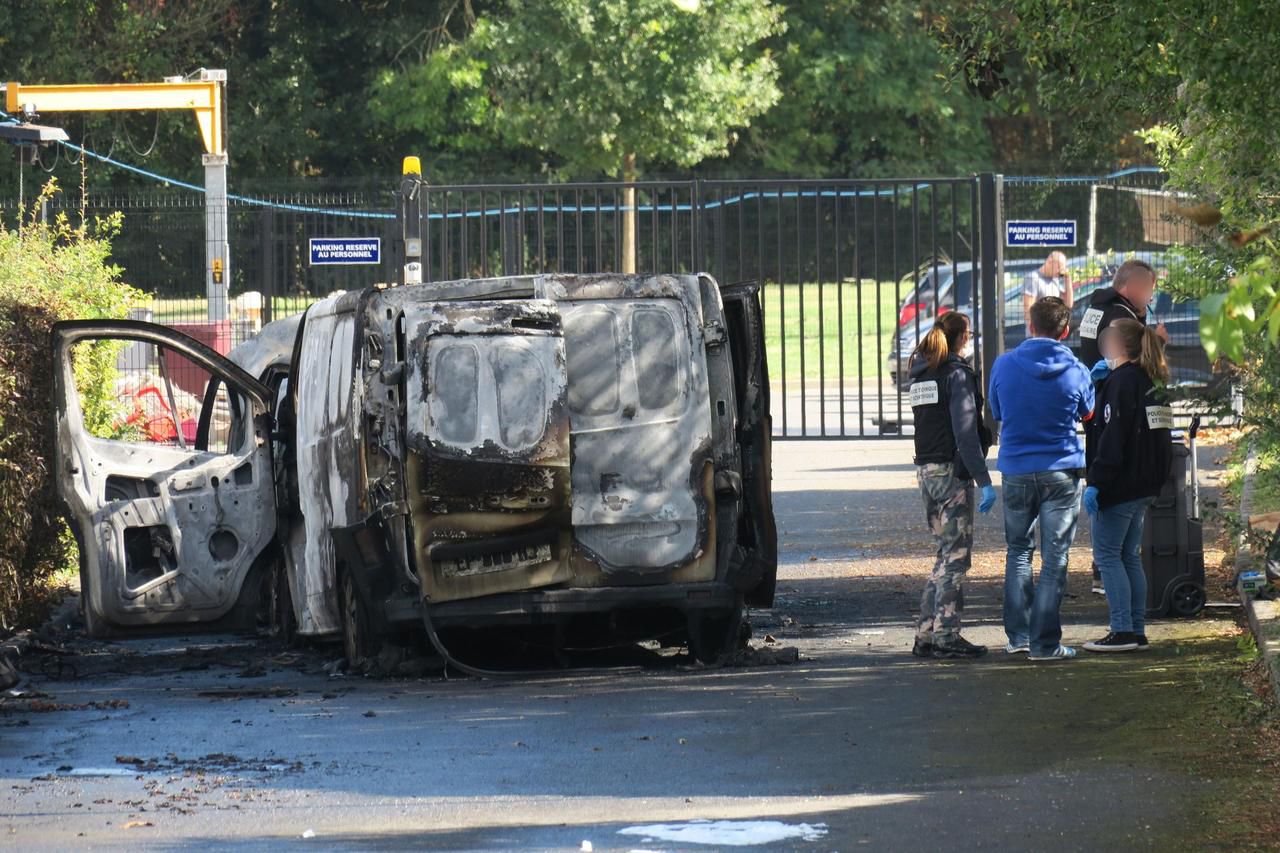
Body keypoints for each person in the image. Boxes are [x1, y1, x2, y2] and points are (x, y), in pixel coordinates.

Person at [989, 297, 1095, 661]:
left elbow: (997, 411)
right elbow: (1090, 413)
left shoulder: (1003, 365)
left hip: (1017, 469)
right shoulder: (1077, 370)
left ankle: (1018, 635)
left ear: (1029, 325)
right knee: (1055, 558)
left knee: (1018, 551)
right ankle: (1045, 644)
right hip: (1061, 470)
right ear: (1065, 331)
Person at [1078, 258, 1169, 596]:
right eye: (1148, 290)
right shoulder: (1121, 320)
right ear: (1132, 287)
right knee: (1120, 551)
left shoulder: (1095, 308)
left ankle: (1122, 614)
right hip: (1117, 425)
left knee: (1121, 549)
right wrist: (1155, 341)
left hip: (1100, 406)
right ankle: (1109, 583)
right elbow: (1123, 437)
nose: (1150, 297)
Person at [1081, 320, 1173, 652]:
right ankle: (1135, 629)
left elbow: (1112, 436)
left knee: (1108, 555)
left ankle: (1122, 630)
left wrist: (1097, 482)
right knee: (1128, 557)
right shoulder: (1152, 380)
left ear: (1118, 346)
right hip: (1145, 485)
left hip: (1120, 484)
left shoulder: (1122, 382)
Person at [908, 312, 996, 660]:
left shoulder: (923, 376)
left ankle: (926, 634)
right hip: (949, 472)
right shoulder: (956, 376)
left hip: (926, 470)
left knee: (944, 556)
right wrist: (984, 478)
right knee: (956, 558)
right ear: (962, 338)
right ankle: (946, 635)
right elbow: (965, 432)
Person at [1023, 252, 1074, 330]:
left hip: (1053, 332)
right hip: (1038, 334)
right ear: (1050, 262)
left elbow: (1068, 304)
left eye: (1063, 267)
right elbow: (1028, 309)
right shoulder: (1033, 278)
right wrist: (1036, 332)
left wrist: (1068, 280)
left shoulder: (1055, 280)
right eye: (1059, 267)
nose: (1061, 271)